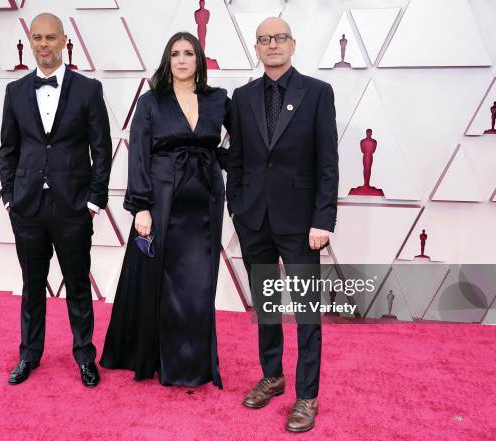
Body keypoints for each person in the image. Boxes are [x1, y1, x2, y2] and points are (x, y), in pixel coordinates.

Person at [100, 31, 230, 388]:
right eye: (176, 54)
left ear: (199, 59)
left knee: (199, 283)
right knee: (161, 280)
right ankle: (162, 360)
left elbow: (239, 146)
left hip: (205, 200)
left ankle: (194, 362)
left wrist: (221, 159)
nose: (183, 60)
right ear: (167, 60)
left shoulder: (218, 99)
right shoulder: (151, 101)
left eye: (189, 53)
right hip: (161, 198)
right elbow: (138, 153)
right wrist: (141, 207)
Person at [227, 17, 338, 432]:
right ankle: (272, 377)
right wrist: (236, 206)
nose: (271, 45)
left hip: (301, 224)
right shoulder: (242, 97)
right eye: (263, 40)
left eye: (279, 38)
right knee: (267, 306)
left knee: (307, 312)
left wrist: (323, 219)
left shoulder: (318, 93)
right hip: (253, 219)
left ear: (293, 44)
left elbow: (327, 162)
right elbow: (236, 158)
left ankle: (307, 396)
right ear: (256, 49)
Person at [0, 13, 112, 387]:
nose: (43, 44)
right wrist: (9, 198)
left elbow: (102, 149)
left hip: (73, 207)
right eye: (36, 38)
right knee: (32, 285)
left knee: (78, 284)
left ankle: (84, 357)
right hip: (27, 207)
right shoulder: (14, 91)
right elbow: (8, 149)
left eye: (50, 37)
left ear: (64, 41)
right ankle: (28, 355)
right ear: (30, 42)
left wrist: (94, 203)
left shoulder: (88, 89)